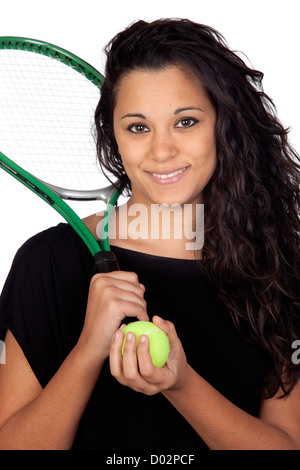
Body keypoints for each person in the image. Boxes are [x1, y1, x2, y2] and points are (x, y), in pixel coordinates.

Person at [0, 18, 299, 451]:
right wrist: (87, 351)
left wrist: (181, 385)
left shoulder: (277, 267)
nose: (162, 151)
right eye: (138, 127)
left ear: (223, 125)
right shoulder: (50, 261)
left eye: (186, 122)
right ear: (114, 137)